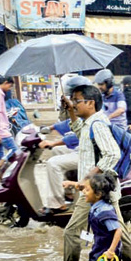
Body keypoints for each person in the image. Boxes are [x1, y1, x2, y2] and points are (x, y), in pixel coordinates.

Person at [60, 84, 131, 261]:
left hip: (96, 191)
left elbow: (111, 154)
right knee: (119, 232)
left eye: (78, 101)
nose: (76, 104)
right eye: (74, 101)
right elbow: (82, 134)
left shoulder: (98, 124)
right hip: (98, 190)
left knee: (71, 232)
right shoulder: (90, 123)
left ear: (91, 103)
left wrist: (88, 178)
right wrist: (71, 111)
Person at [38, 75, 90, 214]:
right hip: (83, 149)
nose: (73, 99)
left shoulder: (89, 109)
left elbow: (78, 134)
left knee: (53, 163)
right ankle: (68, 192)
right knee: (57, 152)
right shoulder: (82, 108)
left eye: (75, 97)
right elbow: (71, 124)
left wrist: (53, 142)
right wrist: (51, 128)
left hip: (89, 153)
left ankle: (56, 204)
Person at [76, 173, 123, 261]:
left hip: (106, 251)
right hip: (99, 248)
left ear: (97, 194)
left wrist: (111, 251)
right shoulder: (95, 206)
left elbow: (118, 230)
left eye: (87, 190)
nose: (83, 192)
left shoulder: (104, 211)